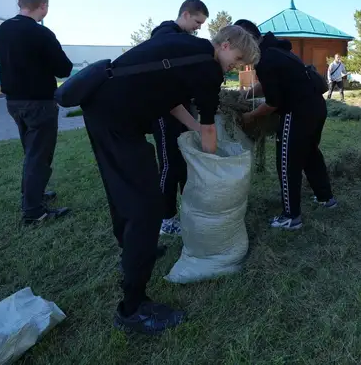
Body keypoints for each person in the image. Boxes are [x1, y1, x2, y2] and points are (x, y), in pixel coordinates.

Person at [82, 25, 259, 334]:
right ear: (226, 44)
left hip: (103, 108)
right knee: (146, 207)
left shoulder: (188, 47)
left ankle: (133, 251)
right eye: (239, 58)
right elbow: (208, 129)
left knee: (123, 193)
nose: (237, 67)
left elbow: (172, 101)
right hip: (117, 121)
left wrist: (192, 130)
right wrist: (212, 162)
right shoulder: (208, 68)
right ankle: (132, 309)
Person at [234, 19, 338, 230]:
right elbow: (272, 83)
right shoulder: (276, 51)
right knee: (310, 154)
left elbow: (274, 103)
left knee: (287, 162)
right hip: (316, 107)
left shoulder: (265, 59)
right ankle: (326, 198)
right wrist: (248, 93)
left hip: (297, 112)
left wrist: (249, 117)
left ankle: (291, 216)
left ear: (247, 40)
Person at [0, 0, 73, 224]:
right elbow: (64, 68)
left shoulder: (3, 29)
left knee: (31, 152)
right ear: (43, 6)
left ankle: (33, 194)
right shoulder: (41, 33)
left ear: (20, 3)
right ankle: (33, 212)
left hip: (14, 102)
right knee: (39, 156)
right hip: (39, 103)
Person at [150, 0, 209, 236]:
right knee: (168, 165)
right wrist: (196, 125)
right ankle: (166, 218)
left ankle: (187, 209)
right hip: (164, 112)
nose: (199, 27)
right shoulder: (165, 37)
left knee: (183, 162)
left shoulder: (180, 40)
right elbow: (166, 90)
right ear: (185, 14)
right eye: (197, 21)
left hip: (181, 108)